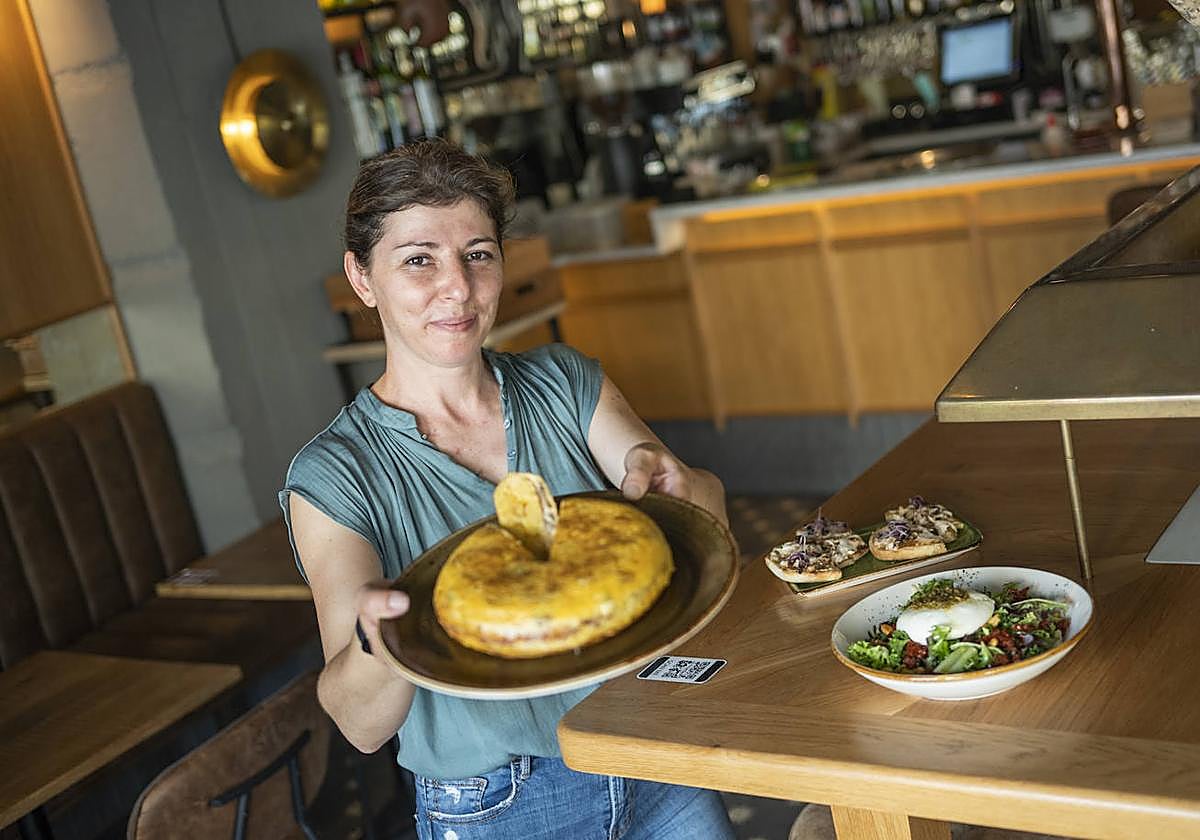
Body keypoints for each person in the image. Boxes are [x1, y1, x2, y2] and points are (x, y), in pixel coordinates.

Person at [280, 139, 736, 840]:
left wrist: (683, 485)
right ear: (362, 278)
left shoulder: (564, 382)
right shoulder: (334, 475)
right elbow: (360, 725)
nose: (458, 287)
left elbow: (707, 527)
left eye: (478, 254)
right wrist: (379, 638)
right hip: (503, 805)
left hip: (651, 744)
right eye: (419, 259)